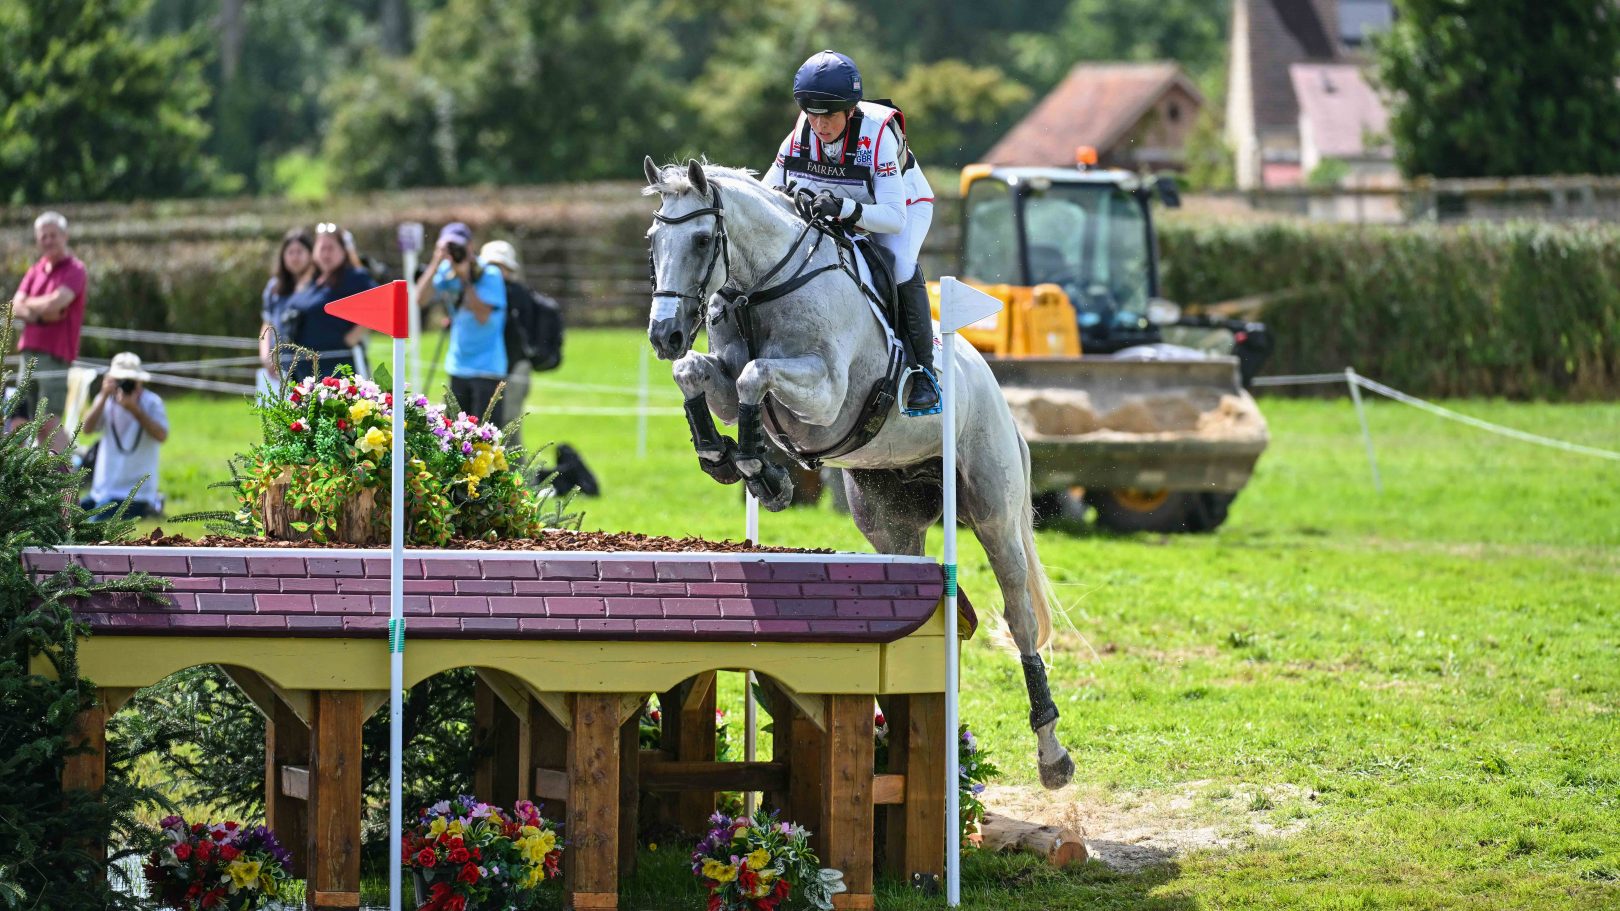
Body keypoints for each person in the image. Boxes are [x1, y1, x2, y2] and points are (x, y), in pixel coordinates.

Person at [762, 50, 939, 414]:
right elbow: (767, 197)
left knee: (900, 264)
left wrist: (843, 209)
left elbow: (893, 219)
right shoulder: (799, 136)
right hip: (846, 208)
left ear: (850, 110)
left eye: (828, 115)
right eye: (812, 114)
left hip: (901, 206)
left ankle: (923, 372)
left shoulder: (877, 138)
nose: (819, 125)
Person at [415, 222, 507, 424]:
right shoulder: (446, 273)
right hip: (458, 367)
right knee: (454, 440)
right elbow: (418, 300)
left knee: (484, 440)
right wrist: (435, 263)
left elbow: (483, 316)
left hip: (488, 369)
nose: (454, 252)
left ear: (470, 247)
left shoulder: (489, 274)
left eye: (457, 247)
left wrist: (466, 279)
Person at [10, 211, 88, 449]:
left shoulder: (75, 269)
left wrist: (31, 308)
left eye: (53, 235)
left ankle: (66, 483)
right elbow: (15, 306)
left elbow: (58, 303)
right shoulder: (35, 270)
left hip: (55, 355)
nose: (48, 240)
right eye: (43, 236)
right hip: (27, 354)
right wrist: (42, 313)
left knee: (47, 423)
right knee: (19, 420)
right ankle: (17, 482)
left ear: (65, 236)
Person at [80, 352, 168, 520]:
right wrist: (104, 394)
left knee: (92, 523)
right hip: (103, 490)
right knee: (70, 516)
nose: (126, 384)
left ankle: (151, 507)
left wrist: (135, 411)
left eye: (130, 380)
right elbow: (87, 429)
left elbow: (162, 435)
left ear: (140, 381)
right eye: (121, 379)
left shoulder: (151, 402)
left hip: (136, 494)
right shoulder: (106, 399)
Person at [282, 222, 372, 379]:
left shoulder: (353, 278)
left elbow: (379, 304)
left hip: (338, 368)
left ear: (343, 251)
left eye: (331, 248)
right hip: (306, 369)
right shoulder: (313, 280)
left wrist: (353, 337)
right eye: (322, 248)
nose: (326, 254)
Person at [478, 239, 530, 449]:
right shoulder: (481, 292)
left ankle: (518, 479)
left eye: (499, 267)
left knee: (508, 426)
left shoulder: (517, 294)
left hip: (514, 367)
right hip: (484, 369)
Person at [259, 227, 316, 385]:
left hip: (311, 365)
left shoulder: (318, 286)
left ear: (311, 254)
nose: (294, 257)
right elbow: (267, 322)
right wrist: (265, 355)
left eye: (299, 252)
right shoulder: (274, 288)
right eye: (290, 252)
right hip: (280, 367)